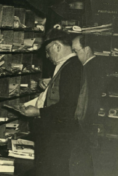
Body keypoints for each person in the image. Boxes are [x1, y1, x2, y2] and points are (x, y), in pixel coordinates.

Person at [20, 28, 86, 176]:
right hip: (56, 133)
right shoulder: (67, 65)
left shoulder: (71, 67)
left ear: (57, 46)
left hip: (58, 135)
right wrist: (49, 85)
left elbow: (68, 106)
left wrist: (38, 111)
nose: (46, 55)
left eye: (48, 50)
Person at [71, 34, 106, 176]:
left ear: (87, 50)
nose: (73, 55)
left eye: (75, 51)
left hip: (86, 123)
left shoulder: (88, 69)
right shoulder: (95, 65)